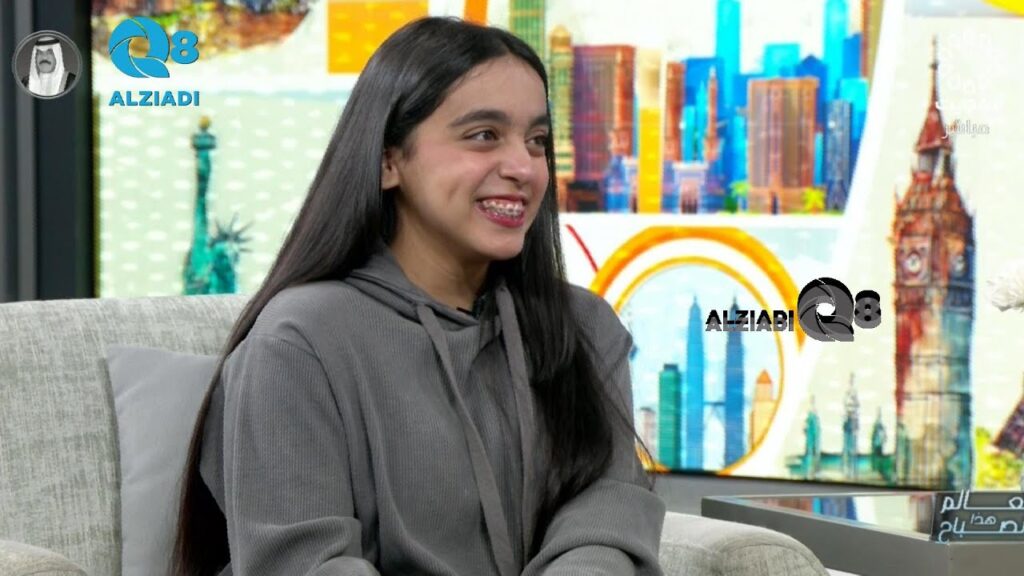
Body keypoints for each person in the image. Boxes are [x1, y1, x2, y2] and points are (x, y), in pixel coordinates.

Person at [172, 16, 665, 576]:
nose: (523, 168)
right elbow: (305, 564)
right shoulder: (298, 342)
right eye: (484, 135)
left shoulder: (584, 326)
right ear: (389, 159)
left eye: (537, 141)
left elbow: (607, 508)